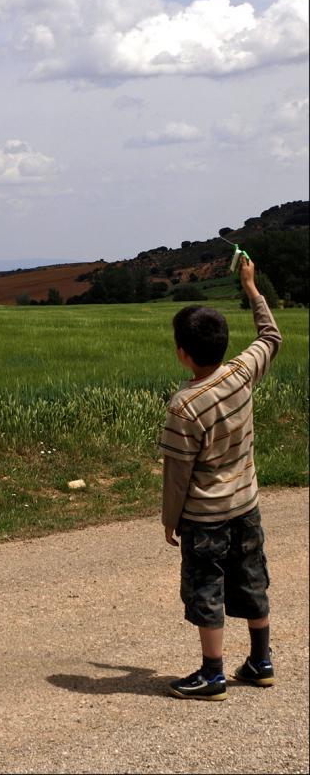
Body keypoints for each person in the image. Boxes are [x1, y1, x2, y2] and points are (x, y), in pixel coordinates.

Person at [161, 257, 282, 701]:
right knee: (252, 578)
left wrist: (169, 520)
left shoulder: (184, 406)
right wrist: (251, 287)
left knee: (206, 588)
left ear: (183, 353)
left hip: (205, 517)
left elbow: (178, 476)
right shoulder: (242, 372)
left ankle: (213, 675)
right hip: (246, 505)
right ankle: (261, 662)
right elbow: (271, 336)